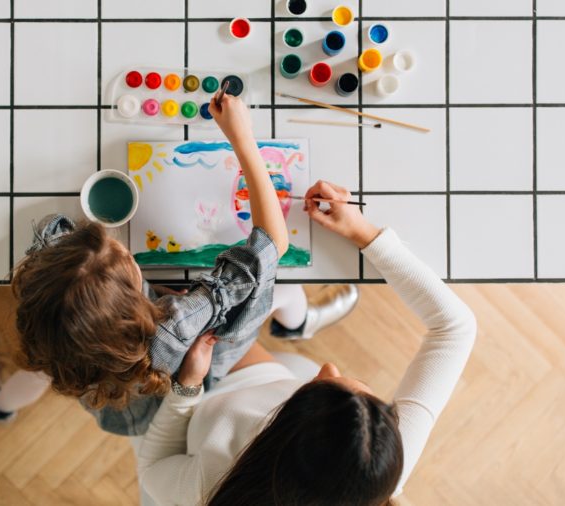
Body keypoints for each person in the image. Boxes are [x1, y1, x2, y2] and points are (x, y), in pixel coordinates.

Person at [0, 94, 359, 436]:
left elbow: (51, 231)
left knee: (36, 374)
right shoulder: (177, 324)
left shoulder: (51, 327)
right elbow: (271, 242)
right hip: (202, 370)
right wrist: (242, 138)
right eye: (126, 259)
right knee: (287, 290)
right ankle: (297, 324)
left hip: (116, 408)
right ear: (136, 297)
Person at [136, 180, 478, 505]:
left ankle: (298, 322)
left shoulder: (218, 484)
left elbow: (152, 469)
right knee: (278, 291)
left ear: (282, 430)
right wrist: (365, 235)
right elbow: (455, 328)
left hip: (192, 405)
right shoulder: (379, 461)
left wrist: (187, 388)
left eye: (320, 387)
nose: (328, 366)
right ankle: (300, 323)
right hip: (263, 378)